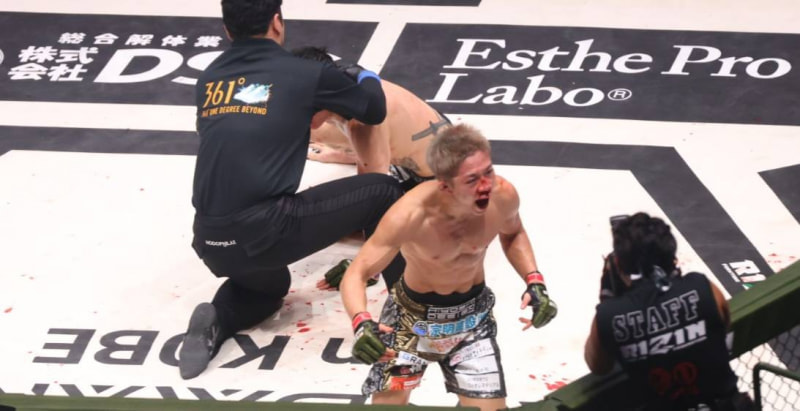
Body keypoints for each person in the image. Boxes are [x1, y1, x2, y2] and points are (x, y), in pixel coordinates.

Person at [181, 0, 406, 380]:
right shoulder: (306, 73)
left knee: (269, 287)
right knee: (384, 191)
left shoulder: (210, 79)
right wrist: (360, 73)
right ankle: (408, 310)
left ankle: (220, 317)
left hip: (210, 241)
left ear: (227, 29)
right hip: (267, 229)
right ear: (277, 22)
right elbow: (374, 108)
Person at [339, 124, 558, 411]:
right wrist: (361, 322)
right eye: (472, 180)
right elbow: (357, 272)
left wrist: (534, 280)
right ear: (445, 185)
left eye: (488, 172)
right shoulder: (410, 215)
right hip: (410, 322)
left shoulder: (502, 195)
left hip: (472, 320)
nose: (486, 185)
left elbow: (513, 232)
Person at [584, 212, 755, 411]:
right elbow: (722, 327)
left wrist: (609, 299)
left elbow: (597, 365)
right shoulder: (702, 288)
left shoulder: (610, 317)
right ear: (672, 255)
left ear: (619, 264)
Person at [291, 46, 451, 192]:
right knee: (306, 130)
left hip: (439, 173)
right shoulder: (340, 87)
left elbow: (372, 194)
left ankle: (366, 157)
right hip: (425, 134)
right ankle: (360, 156)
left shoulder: (363, 122)